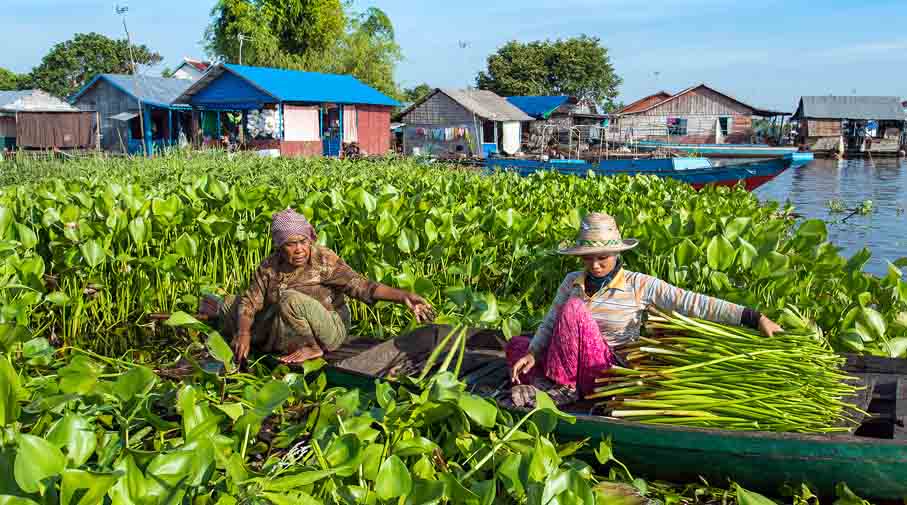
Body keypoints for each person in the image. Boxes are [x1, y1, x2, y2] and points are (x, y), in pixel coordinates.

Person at [507, 212, 782, 407]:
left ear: (617, 254)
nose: (595, 265)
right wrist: (533, 352)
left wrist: (753, 317)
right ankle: (556, 383)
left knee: (575, 309)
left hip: (604, 371)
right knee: (517, 346)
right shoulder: (572, 282)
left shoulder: (639, 285)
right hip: (570, 363)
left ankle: (564, 389)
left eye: (602, 257)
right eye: (588, 258)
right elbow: (550, 321)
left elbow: (692, 302)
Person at [202, 208, 435, 365]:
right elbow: (250, 302)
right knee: (234, 304)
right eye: (291, 245)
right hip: (286, 328)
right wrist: (243, 332)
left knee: (288, 298)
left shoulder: (323, 259)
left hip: (329, 331)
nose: (299, 249)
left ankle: (313, 348)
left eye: (303, 242)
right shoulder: (269, 267)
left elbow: (362, 285)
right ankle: (211, 315)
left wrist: (403, 295)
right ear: (279, 246)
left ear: (309, 239)